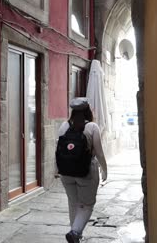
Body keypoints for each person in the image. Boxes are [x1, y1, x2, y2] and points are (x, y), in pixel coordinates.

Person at [57, 97, 108, 243]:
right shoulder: (92, 127)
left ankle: (75, 235)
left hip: (66, 173)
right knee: (86, 205)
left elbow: (58, 150)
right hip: (86, 172)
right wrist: (105, 169)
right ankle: (75, 232)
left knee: (73, 203)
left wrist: (57, 170)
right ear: (88, 111)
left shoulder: (64, 126)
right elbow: (99, 152)